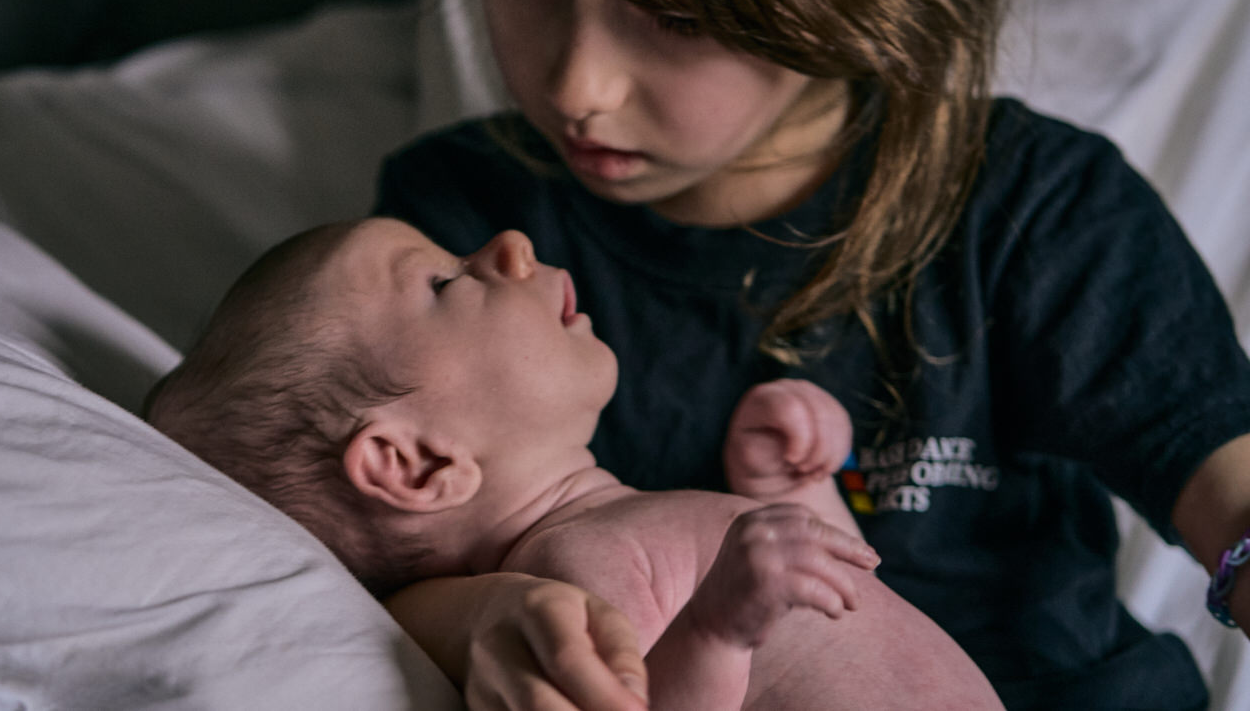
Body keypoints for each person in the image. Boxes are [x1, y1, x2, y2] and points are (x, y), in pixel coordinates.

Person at [372, 0, 1250, 709]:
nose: (579, 84)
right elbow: (383, 564)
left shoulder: (1033, 205)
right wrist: (486, 618)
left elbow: (1224, 478)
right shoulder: (461, 238)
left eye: (677, 12)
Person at [144, 217, 1006, 711]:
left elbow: (837, 610)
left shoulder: (623, 520)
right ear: (415, 466)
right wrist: (715, 627)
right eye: (444, 283)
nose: (508, 247)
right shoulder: (574, 565)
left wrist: (795, 490)